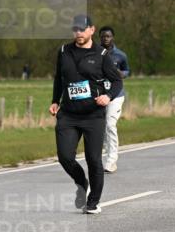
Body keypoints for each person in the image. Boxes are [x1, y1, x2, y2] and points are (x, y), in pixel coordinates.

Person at [50, 15, 124, 214]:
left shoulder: (101, 54)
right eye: (75, 29)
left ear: (92, 30)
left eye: (82, 29)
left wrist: (108, 96)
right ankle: (82, 183)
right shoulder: (64, 51)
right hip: (68, 114)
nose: (78, 33)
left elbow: (117, 82)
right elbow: (59, 78)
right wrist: (55, 101)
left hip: (93, 116)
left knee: (93, 160)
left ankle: (92, 202)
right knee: (65, 157)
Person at [98, 26, 130, 173]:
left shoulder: (120, 55)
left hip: (116, 95)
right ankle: (104, 154)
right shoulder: (94, 53)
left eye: (108, 36)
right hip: (99, 96)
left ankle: (111, 161)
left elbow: (127, 70)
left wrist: (121, 74)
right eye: (103, 36)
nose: (106, 39)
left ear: (113, 37)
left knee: (110, 125)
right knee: (101, 128)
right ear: (99, 38)